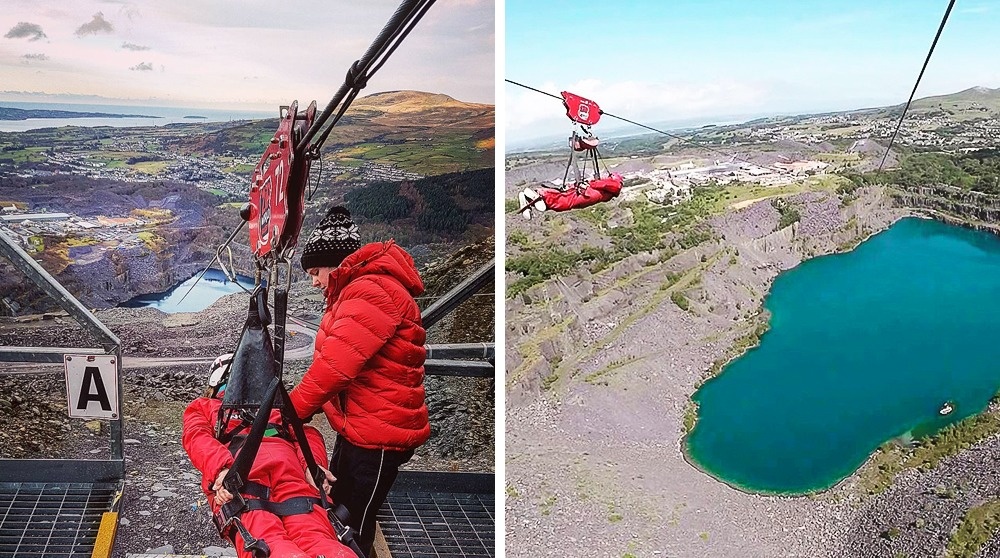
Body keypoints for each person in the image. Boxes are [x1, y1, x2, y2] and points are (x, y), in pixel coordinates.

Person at [289, 206, 430, 555]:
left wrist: (288, 413)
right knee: (340, 507)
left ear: (337, 262)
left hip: (379, 435)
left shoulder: (371, 291)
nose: (314, 281)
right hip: (364, 428)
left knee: (354, 524)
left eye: (317, 271)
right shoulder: (356, 292)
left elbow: (334, 368)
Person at [182, 353, 354, 558]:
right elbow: (306, 435)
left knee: (267, 544)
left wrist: (223, 470)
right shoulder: (276, 407)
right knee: (318, 538)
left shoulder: (207, 407)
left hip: (245, 481)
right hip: (277, 476)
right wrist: (311, 465)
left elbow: (196, 437)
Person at [518, 172, 624, 219]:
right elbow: (600, 185)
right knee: (565, 198)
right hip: (588, 196)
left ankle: (540, 198)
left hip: (588, 195)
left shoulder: (615, 184)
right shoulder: (611, 189)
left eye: (609, 175)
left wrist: (589, 184)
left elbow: (601, 184)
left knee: (566, 201)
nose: (606, 175)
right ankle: (537, 199)